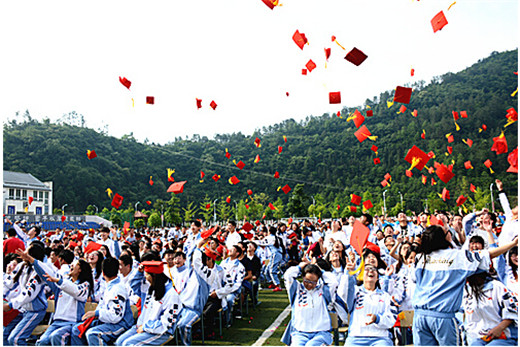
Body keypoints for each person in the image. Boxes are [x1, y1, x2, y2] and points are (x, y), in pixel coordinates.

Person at [412, 225, 518, 346]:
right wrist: (512, 243)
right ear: (445, 238)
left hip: (419, 317)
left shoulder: (421, 258)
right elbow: (489, 254)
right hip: (442, 317)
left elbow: (414, 279)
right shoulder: (457, 256)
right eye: (447, 232)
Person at [19, 249, 94, 346]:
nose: (71, 265)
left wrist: (59, 281)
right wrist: (32, 260)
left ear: (80, 270)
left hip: (72, 323)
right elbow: (48, 273)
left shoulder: (84, 285)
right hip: (56, 322)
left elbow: (76, 291)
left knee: (56, 336)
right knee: (42, 342)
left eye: (75, 264)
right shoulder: (63, 281)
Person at [115, 261, 182, 346]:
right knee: (119, 342)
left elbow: (166, 324)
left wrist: (145, 327)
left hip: (160, 331)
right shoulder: (152, 289)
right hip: (142, 327)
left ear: (153, 277)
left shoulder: (171, 295)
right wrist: (139, 272)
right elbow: (133, 284)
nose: (145, 279)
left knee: (128, 344)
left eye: (146, 275)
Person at [70, 257, 134, 346]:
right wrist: (95, 315)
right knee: (77, 329)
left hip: (121, 324)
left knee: (93, 334)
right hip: (106, 321)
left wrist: (97, 313)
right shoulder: (108, 286)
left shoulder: (118, 288)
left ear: (103, 273)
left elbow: (115, 317)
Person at [338, 261, 398, 346]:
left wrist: (377, 319)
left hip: (380, 338)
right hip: (356, 337)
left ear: (377, 277)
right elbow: (342, 293)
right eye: (367, 269)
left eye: (374, 269)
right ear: (362, 275)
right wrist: (348, 273)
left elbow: (391, 321)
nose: (370, 271)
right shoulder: (355, 291)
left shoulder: (385, 296)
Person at [3, 242, 49, 346]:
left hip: (35, 311)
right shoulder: (21, 266)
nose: (23, 253)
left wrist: (10, 305)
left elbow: (28, 294)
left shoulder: (39, 272)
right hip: (23, 309)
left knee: (15, 339)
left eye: (26, 252)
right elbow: (8, 282)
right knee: (5, 334)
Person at [281, 263, 338, 346]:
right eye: (307, 281)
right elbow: (288, 275)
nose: (310, 284)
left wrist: (320, 271)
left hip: (321, 333)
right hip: (300, 333)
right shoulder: (296, 289)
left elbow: (333, 282)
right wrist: (300, 267)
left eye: (314, 282)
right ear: (303, 277)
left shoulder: (323, 291)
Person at [463, 271, 518, 346]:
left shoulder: (497, 287)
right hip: (479, 337)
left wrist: (499, 328)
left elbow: (513, 312)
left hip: (503, 336)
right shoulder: (467, 290)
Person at [256, 226, 284, 291]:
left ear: (269, 231)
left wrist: (251, 241)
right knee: (267, 270)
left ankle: (278, 285)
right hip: (276, 254)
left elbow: (261, 243)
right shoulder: (276, 237)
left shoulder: (269, 238)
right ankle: (272, 282)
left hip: (275, 254)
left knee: (272, 270)